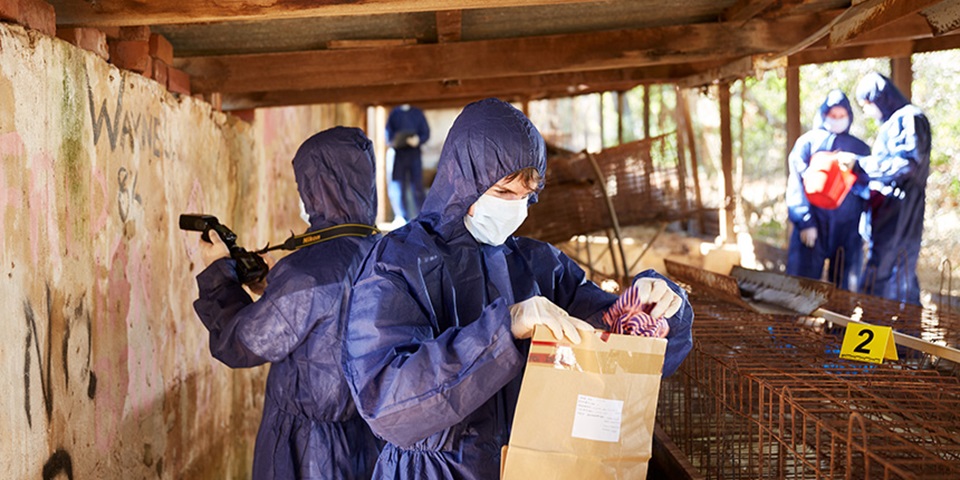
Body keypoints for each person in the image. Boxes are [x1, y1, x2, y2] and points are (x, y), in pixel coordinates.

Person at [343, 98, 694, 479]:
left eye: (527, 196)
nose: (518, 209)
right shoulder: (397, 263)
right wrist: (502, 330)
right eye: (504, 193)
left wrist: (658, 307)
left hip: (532, 465)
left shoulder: (537, 264)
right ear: (464, 182)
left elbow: (614, 332)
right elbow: (388, 402)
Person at [192, 127, 381, 479]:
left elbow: (240, 343)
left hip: (306, 449)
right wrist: (272, 289)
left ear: (316, 186)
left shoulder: (305, 272)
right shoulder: (389, 252)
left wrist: (217, 272)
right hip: (372, 442)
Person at [850, 72, 931, 305]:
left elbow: (907, 164)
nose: (866, 111)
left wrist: (859, 164)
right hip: (890, 209)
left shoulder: (908, 118)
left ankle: (884, 333)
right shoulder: (894, 123)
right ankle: (904, 336)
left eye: (866, 104)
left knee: (886, 270)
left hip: (899, 211)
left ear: (878, 97)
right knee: (898, 271)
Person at [786, 90, 871, 291]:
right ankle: (797, 322)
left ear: (849, 117)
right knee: (801, 284)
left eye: (842, 116)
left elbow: (869, 188)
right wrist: (805, 221)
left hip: (848, 228)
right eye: (833, 115)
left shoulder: (860, 149)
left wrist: (866, 228)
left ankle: (838, 323)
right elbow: (796, 183)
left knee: (844, 287)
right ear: (824, 114)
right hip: (814, 223)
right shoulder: (808, 142)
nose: (837, 120)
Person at [386, 104, 431, 223]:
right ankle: (401, 216)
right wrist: (395, 141)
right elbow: (388, 134)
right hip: (399, 154)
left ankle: (423, 216)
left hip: (414, 154)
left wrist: (418, 140)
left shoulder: (417, 114)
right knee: (398, 186)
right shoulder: (394, 114)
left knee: (417, 185)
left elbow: (425, 132)